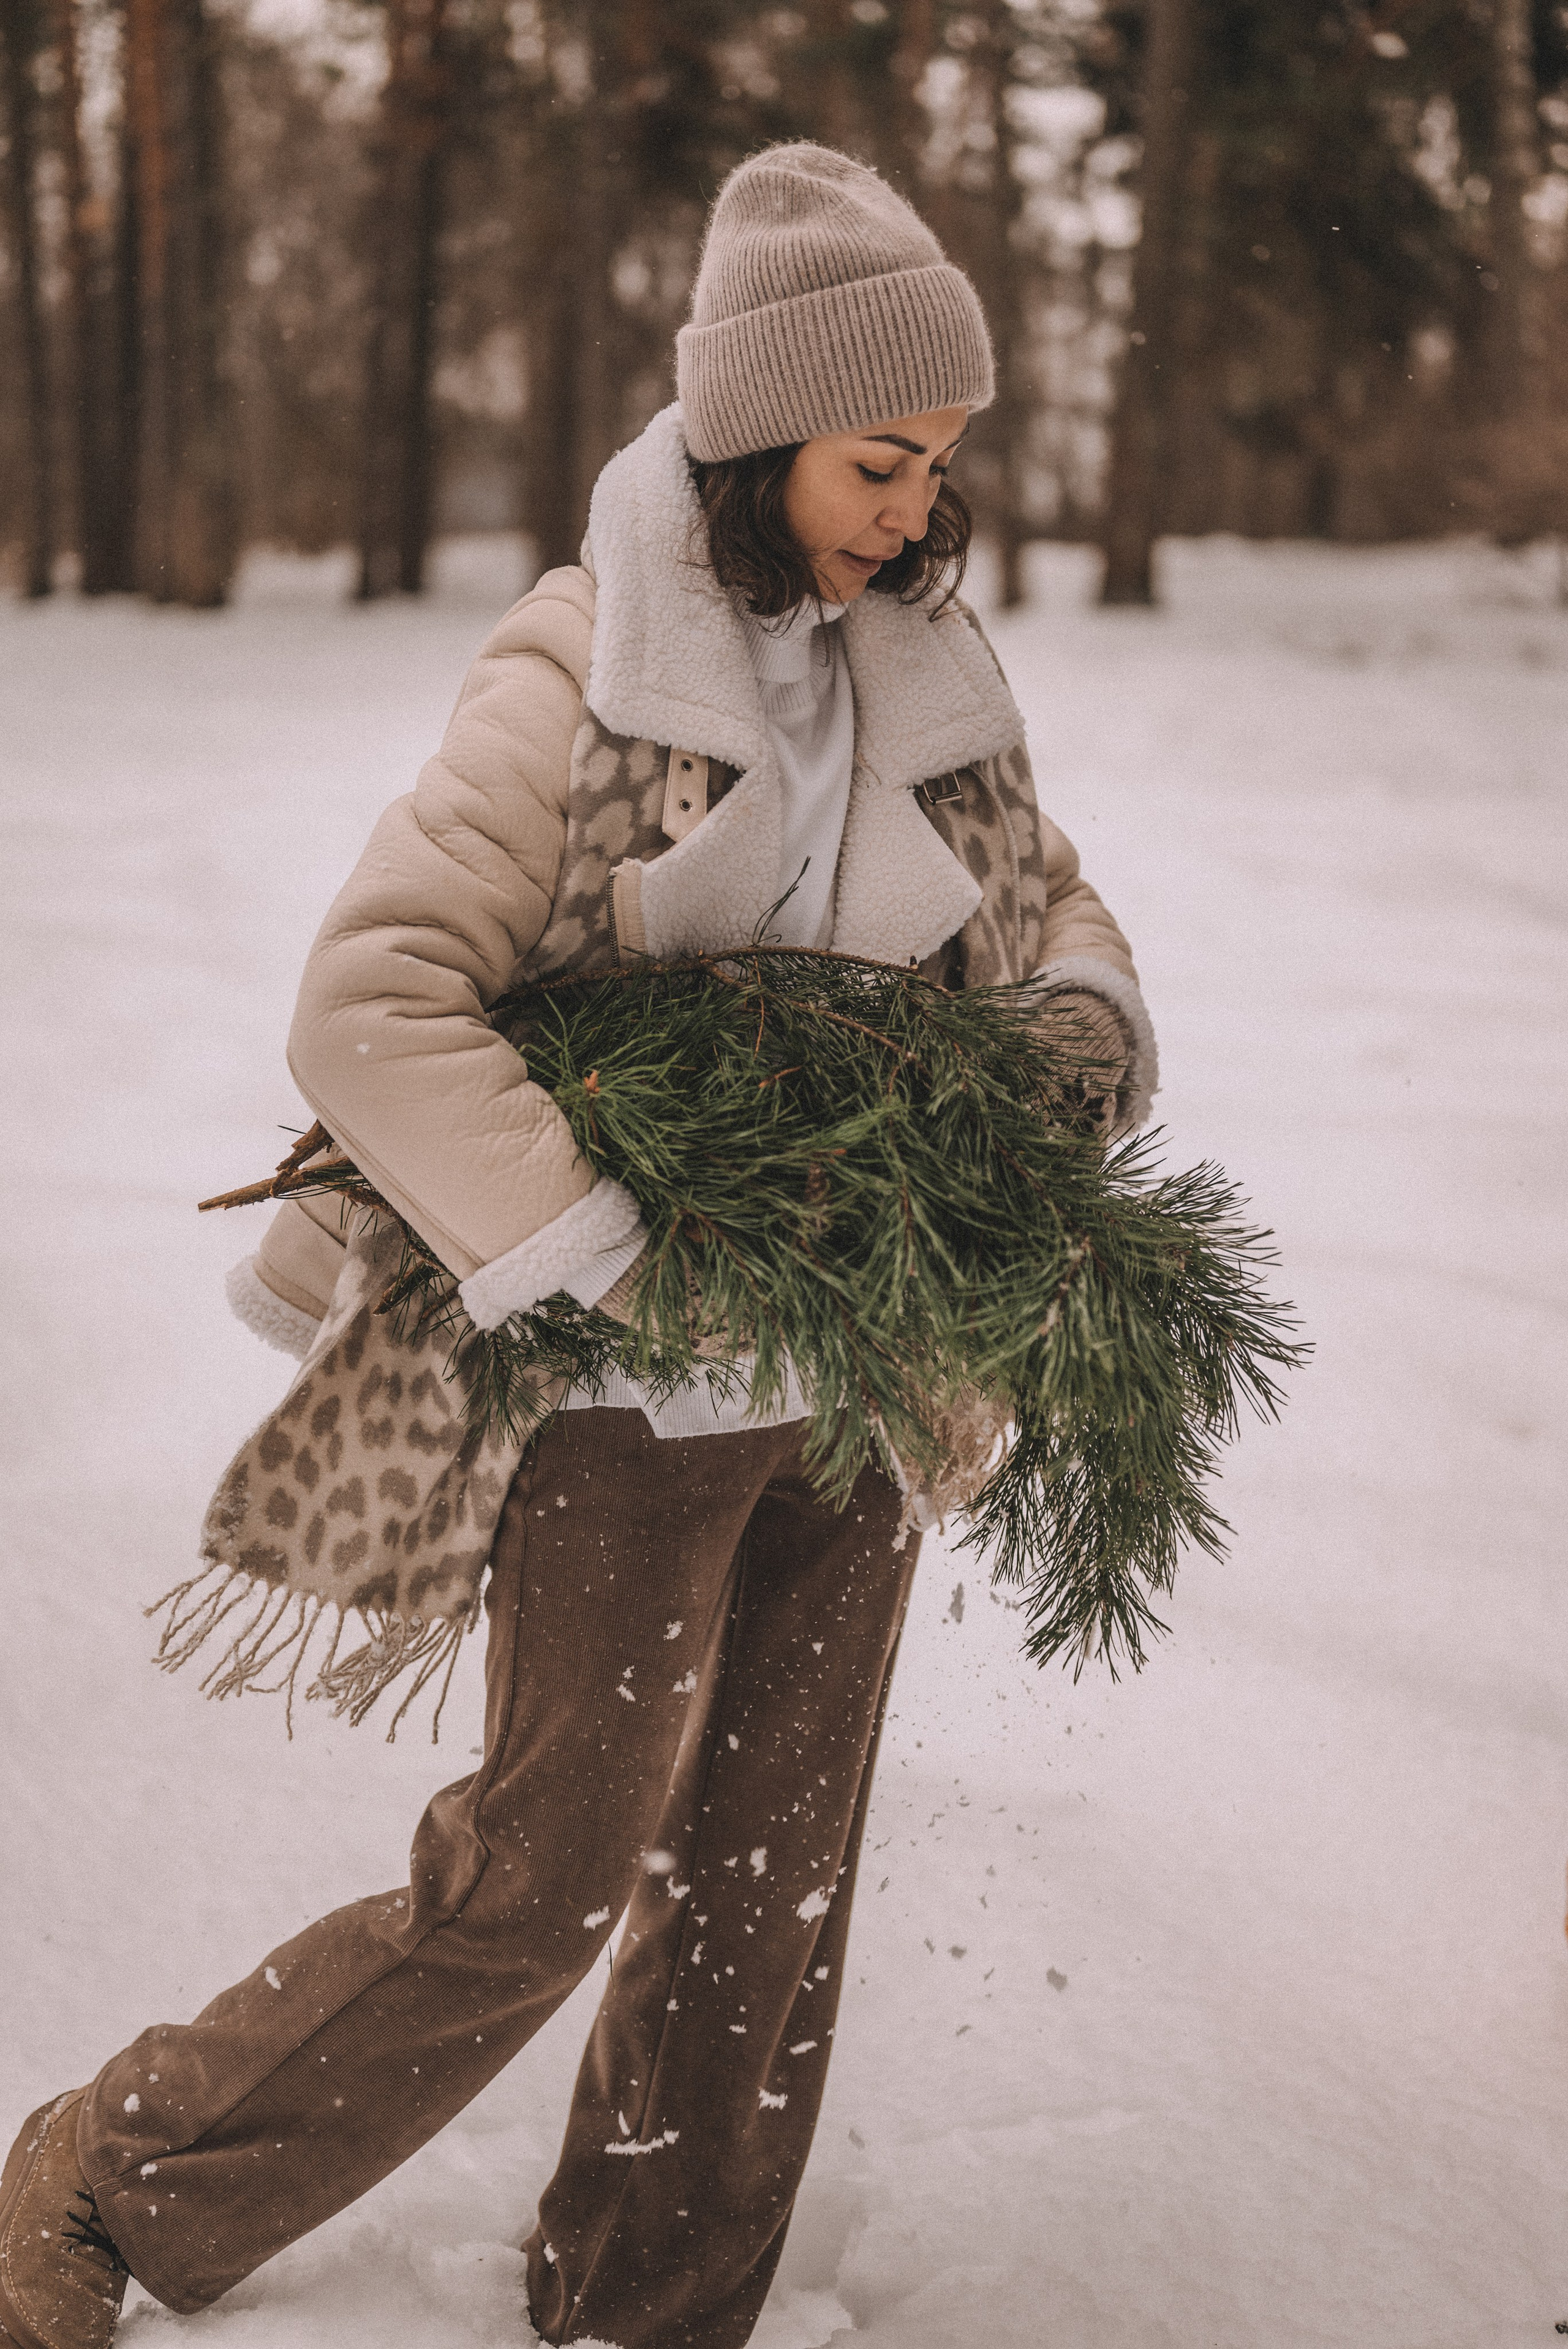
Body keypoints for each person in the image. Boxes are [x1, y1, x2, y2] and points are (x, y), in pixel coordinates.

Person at [0, 143, 1156, 2349]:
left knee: (769, 1890)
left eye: (940, 465)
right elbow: (372, 996)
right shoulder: (584, 674)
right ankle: (110, 2176)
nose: (917, 508)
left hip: (864, 1376)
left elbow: (1046, 908)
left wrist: (1084, 1037)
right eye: (877, 459)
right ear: (754, 432)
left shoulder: (926, 666)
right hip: (630, 1386)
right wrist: (614, 1250)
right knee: (534, 1887)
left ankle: (655, 2302)